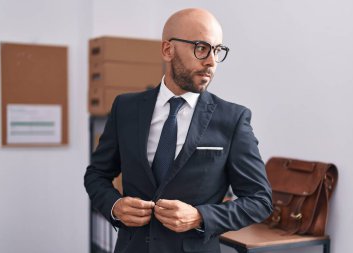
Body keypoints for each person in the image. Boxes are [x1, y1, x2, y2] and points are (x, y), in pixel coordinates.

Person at [84, 8, 272, 253]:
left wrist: (200, 217)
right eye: (201, 48)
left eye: (217, 50)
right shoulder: (125, 108)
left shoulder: (233, 119)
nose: (211, 61)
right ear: (167, 50)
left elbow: (260, 200)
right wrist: (114, 206)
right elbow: (96, 175)